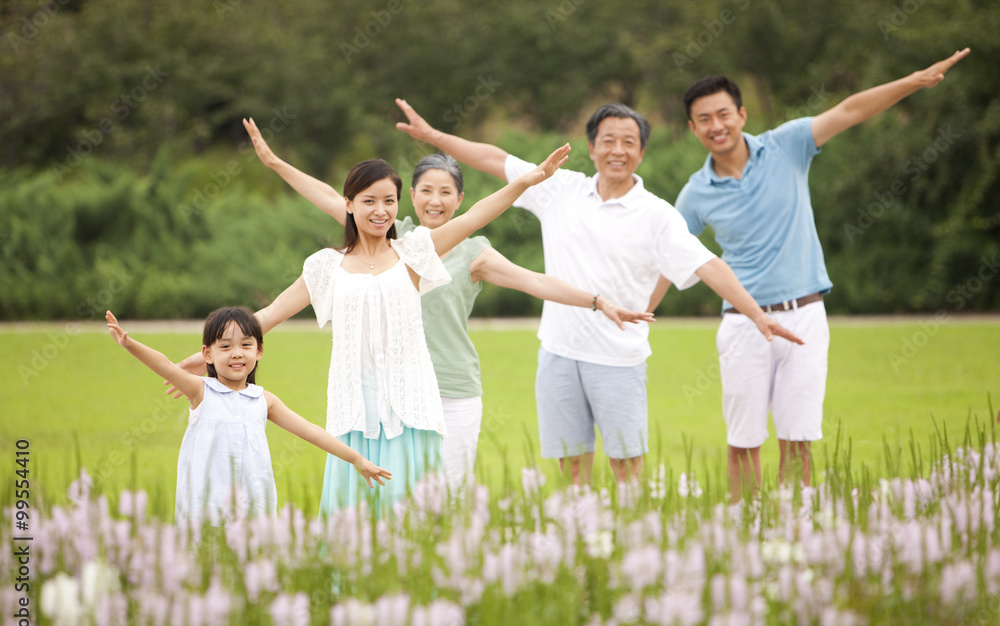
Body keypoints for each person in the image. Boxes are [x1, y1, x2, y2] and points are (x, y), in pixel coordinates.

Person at [393, 98, 804, 487]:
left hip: (618, 359)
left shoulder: (657, 214)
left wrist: (756, 313)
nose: (618, 150)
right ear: (591, 148)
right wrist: (434, 138)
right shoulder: (560, 189)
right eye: (608, 140)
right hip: (557, 355)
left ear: (642, 152)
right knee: (572, 470)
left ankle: (629, 548)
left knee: (627, 469)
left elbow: (708, 264)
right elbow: (495, 159)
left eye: (629, 142)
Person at [241, 117, 654, 493]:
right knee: (389, 492)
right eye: (425, 191)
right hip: (388, 389)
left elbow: (535, 280)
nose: (435, 200)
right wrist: (276, 163)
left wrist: (597, 301)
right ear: (412, 197)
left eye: (446, 192)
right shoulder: (396, 238)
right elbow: (332, 196)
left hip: (451, 387)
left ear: (459, 199)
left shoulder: (467, 251)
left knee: (447, 493)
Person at [177, 144, 571, 515]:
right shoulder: (325, 265)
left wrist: (525, 181)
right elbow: (270, 314)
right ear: (348, 205)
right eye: (369, 201)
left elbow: (474, 217)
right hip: (354, 412)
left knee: (414, 512)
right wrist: (208, 353)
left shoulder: (413, 252)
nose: (381, 211)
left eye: (389, 201)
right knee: (356, 514)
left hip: (411, 408)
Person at [675, 48, 970, 503]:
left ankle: (796, 534)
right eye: (704, 120)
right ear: (693, 129)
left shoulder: (786, 144)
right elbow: (671, 251)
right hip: (742, 324)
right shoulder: (695, 194)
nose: (717, 126)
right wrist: (636, 308)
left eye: (723, 114)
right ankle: (741, 538)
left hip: (805, 317)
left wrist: (913, 80)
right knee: (744, 442)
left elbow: (850, 109)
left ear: (741, 114)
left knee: (798, 438)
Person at [106, 307, 390, 525]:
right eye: (225, 346)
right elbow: (166, 365)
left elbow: (311, 431)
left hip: (253, 504)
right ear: (207, 354)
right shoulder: (201, 391)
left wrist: (356, 459)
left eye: (245, 345)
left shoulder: (263, 400)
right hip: (205, 504)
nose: (236, 354)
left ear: (259, 350)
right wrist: (129, 344)